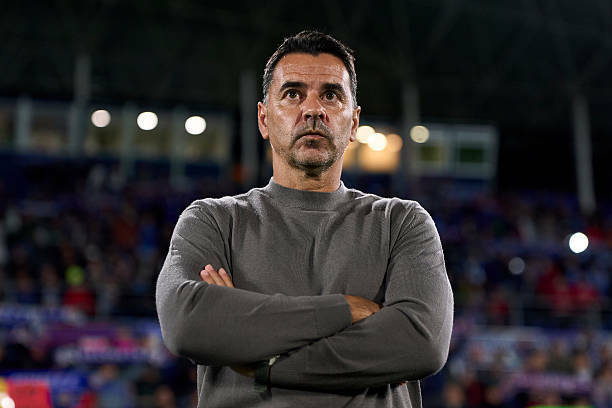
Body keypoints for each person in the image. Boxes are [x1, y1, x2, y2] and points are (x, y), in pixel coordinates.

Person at [156, 30, 453, 408]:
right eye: (293, 94)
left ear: (354, 122)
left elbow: (421, 342)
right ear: (264, 119)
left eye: (330, 95)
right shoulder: (213, 221)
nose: (313, 110)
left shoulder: (402, 223)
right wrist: (344, 310)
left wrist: (259, 359)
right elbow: (187, 322)